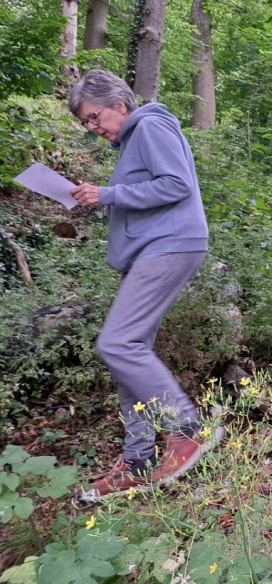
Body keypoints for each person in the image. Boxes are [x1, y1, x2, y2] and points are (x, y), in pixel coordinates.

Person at [67, 69, 221, 502]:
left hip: (170, 246)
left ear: (120, 104)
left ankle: (186, 429)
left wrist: (108, 194)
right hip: (150, 251)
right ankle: (138, 461)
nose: (93, 127)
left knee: (117, 344)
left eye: (95, 117)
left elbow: (176, 184)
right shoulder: (132, 140)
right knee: (129, 356)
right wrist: (102, 197)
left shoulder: (150, 125)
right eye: (85, 122)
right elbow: (146, 193)